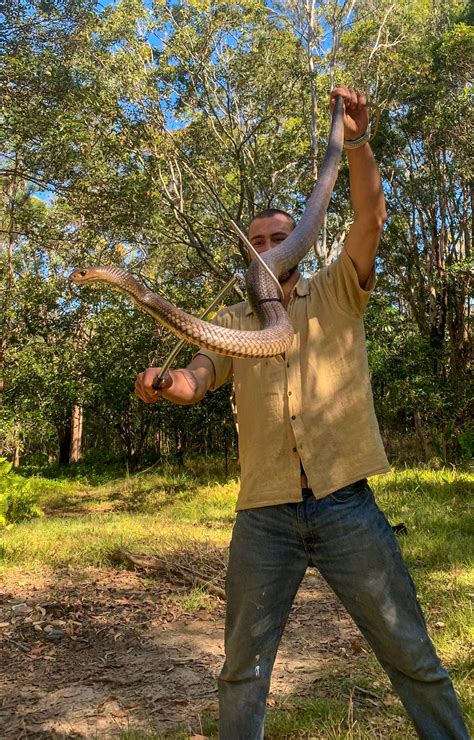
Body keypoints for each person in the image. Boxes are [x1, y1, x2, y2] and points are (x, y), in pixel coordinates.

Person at [135, 87, 468, 740]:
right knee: (243, 672)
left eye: (278, 238)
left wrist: (357, 141)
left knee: (411, 656)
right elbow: (197, 378)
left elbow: (369, 218)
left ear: (300, 244)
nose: (264, 247)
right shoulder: (233, 320)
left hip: (346, 506)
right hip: (265, 515)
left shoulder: (340, 291)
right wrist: (165, 380)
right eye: (256, 241)